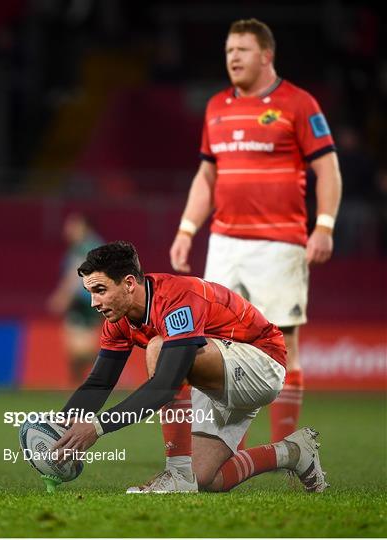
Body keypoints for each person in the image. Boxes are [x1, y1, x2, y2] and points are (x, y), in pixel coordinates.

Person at [169, 18, 342, 447]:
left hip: (280, 243)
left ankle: (290, 447)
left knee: (284, 341)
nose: (233, 57)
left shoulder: (299, 104)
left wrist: (324, 226)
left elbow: (328, 168)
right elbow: (206, 176)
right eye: (229, 50)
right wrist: (187, 229)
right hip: (225, 242)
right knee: (209, 341)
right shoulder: (216, 107)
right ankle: (224, 450)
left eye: (242, 50)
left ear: (266, 55)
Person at [53, 241, 328, 494]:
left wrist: (97, 427)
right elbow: (99, 383)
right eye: (90, 292)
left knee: (159, 348)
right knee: (206, 479)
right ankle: (293, 452)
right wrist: (57, 428)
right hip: (215, 372)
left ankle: (176, 473)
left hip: (262, 364)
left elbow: (165, 386)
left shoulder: (175, 299)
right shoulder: (117, 322)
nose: (94, 303)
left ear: (128, 283)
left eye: (100, 291)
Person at [47, 213, 104, 384]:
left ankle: (110, 370)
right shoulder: (92, 245)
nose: (67, 229)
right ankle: (78, 387)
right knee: (75, 352)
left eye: (72, 225)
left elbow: (75, 275)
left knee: (78, 350)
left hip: (83, 303)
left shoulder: (84, 247)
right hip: (93, 302)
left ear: (84, 227)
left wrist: (62, 297)